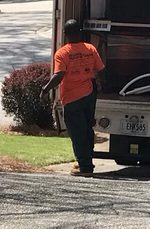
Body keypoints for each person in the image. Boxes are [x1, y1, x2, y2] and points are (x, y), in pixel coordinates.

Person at [40, 19, 104, 176]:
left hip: (73, 98)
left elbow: (59, 75)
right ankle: (87, 161)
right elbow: (100, 69)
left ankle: (85, 167)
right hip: (90, 94)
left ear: (65, 34)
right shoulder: (90, 48)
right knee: (87, 130)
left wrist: (45, 89)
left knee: (77, 133)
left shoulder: (63, 53)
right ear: (80, 32)